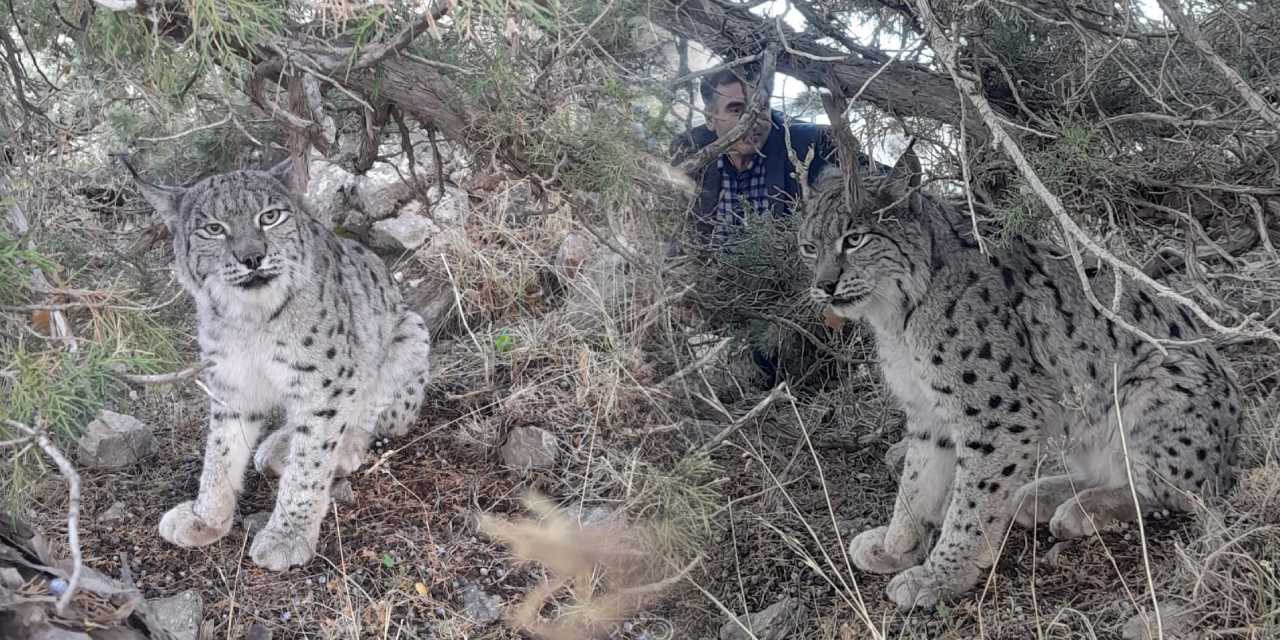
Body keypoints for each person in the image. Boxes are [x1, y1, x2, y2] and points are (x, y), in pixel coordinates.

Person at [670, 65, 880, 245]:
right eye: (736, 110)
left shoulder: (812, 143)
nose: (751, 120)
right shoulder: (689, 152)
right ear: (710, 118)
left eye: (761, 107)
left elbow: (889, 186)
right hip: (713, 284)